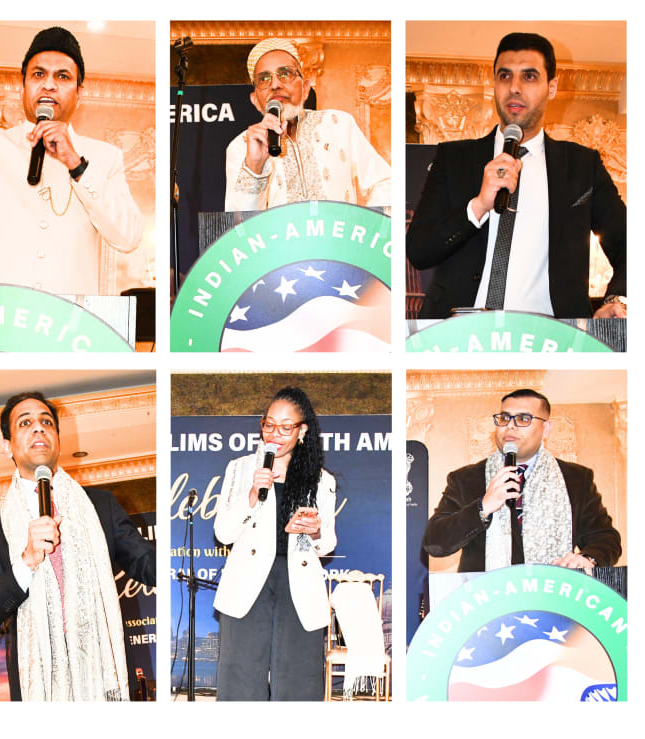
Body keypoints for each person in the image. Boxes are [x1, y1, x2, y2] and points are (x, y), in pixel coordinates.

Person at [406, 33, 626, 319]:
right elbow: (420, 251)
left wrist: (616, 299)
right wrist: (478, 206)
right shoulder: (454, 159)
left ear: (552, 87)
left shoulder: (582, 166)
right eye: (505, 76)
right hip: (458, 333)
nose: (515, 88)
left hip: (551, 336)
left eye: (530, 77)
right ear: (494, 83)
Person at [0, 391, 155, 700]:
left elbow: (145, 563)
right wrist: (27, 560)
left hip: (100, 673)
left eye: (47, 422)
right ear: (7, 446)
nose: (39, 428)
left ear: (57, 437)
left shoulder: (100, 506)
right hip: (39, 686)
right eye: (25, 422)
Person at [0, 26, 143, 295]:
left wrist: (76, 164)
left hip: (65, 325)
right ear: (23, 86)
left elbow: (128, 237)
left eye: (63, 76)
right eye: (38, 74)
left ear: (79, 93)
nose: (49, 84)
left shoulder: (104, 157)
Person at [212, 387, 336, 701]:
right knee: (241, 675)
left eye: (285, 427)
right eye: (269, 425)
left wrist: (315, 530)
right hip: (248, 581)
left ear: (302, 430)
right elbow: (223, 533)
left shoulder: (321, 480)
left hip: (298, 583)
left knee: (299, 679)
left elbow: (328, 544)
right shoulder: (241, 469)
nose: (275, 434)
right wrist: (251, 497)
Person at [422, 389, 621, 572]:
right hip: (485, 605)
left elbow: (606, 539)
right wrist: (483, 506)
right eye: (504, 418)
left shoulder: (576, 479)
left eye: (523, 419)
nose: (510, 426)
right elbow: (435, 543)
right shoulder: (465, 479)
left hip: (553, 600)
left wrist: (587, 558)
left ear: (546, 429)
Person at [225, 38, 390, 212]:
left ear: (305, 88)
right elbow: (240, 225)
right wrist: (255, 165)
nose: (275, 84)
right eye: (264, 79)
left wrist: (367, 228)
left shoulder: (338, 124)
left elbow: (386, 183)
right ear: (255, 101)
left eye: (285, 74)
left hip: (340, 237)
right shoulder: (241, 146)